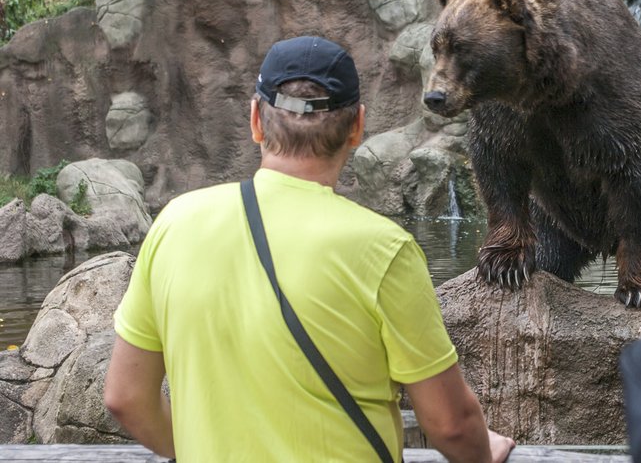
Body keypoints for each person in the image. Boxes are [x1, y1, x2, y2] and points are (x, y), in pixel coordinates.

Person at [104, 35, 515, 463]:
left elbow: (125, 397)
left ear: (255, 121)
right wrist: (484, 451)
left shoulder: (174, 223)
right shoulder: (383, 249)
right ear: (357, 126)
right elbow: (450, 424)